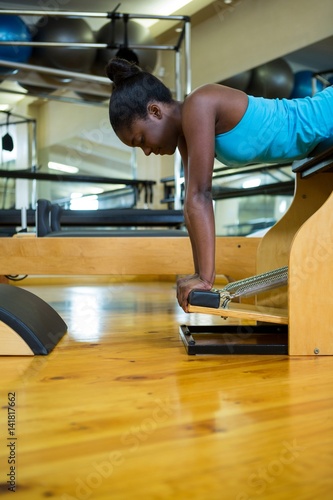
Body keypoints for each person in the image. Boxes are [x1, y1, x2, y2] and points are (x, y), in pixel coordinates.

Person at [105, 57, 333, 312]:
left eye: (141, 140)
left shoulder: (199, 104)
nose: (146, 151)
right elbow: (190, 204)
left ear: (155, 111)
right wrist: (197, 273)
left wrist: (205, 279)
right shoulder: (185, 134)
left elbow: (201, 195)